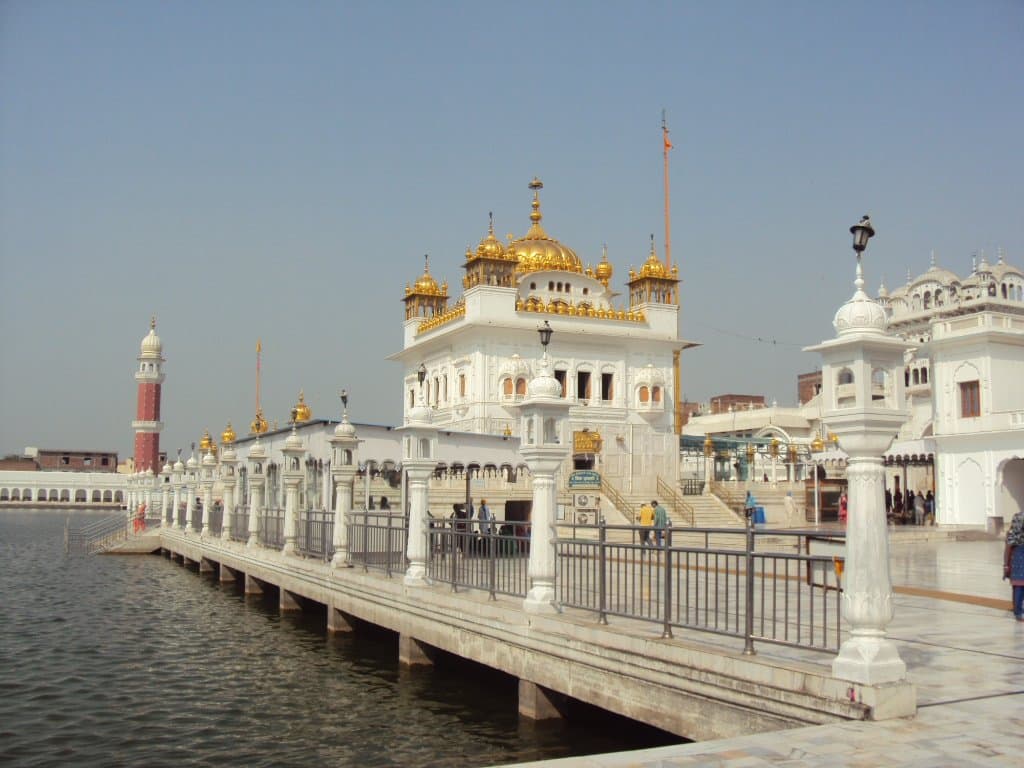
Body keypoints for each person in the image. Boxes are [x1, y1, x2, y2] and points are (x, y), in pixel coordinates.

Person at [1004, 508, 1024, 621]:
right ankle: (1019, 612)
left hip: (1016, 559)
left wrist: (1005, 565)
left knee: (1018, 586)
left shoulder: (1012, 535)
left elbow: (1007, 549)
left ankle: (1018, 613)